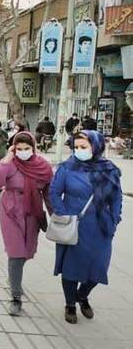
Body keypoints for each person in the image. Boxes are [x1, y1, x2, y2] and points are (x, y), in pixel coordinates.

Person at [49, 130, 122, 324]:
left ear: (96, 147)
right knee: (71, 267)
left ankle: (82, 295)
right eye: (76, 147)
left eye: (84, 147)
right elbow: (55, 192)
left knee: (98, 268)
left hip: (101, 227)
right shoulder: (67, 167)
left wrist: (115, 219)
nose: (79, 150)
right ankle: (70, 304)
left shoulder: (109, 169)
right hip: (75, 224)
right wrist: (64, 214)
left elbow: (117, 197)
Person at [0, 132, 53, 316]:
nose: (23, 152)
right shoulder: (10, 164)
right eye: (19, 149)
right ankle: (16, 297)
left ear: (33, 148)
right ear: (13, 148)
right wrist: (8, 158)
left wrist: (55, 217)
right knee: (16, 252)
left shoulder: (43, 167)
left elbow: (49, 194)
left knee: (26, 251)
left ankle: (13, 277)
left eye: (27, 149)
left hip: (32, 213)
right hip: (10, 210)